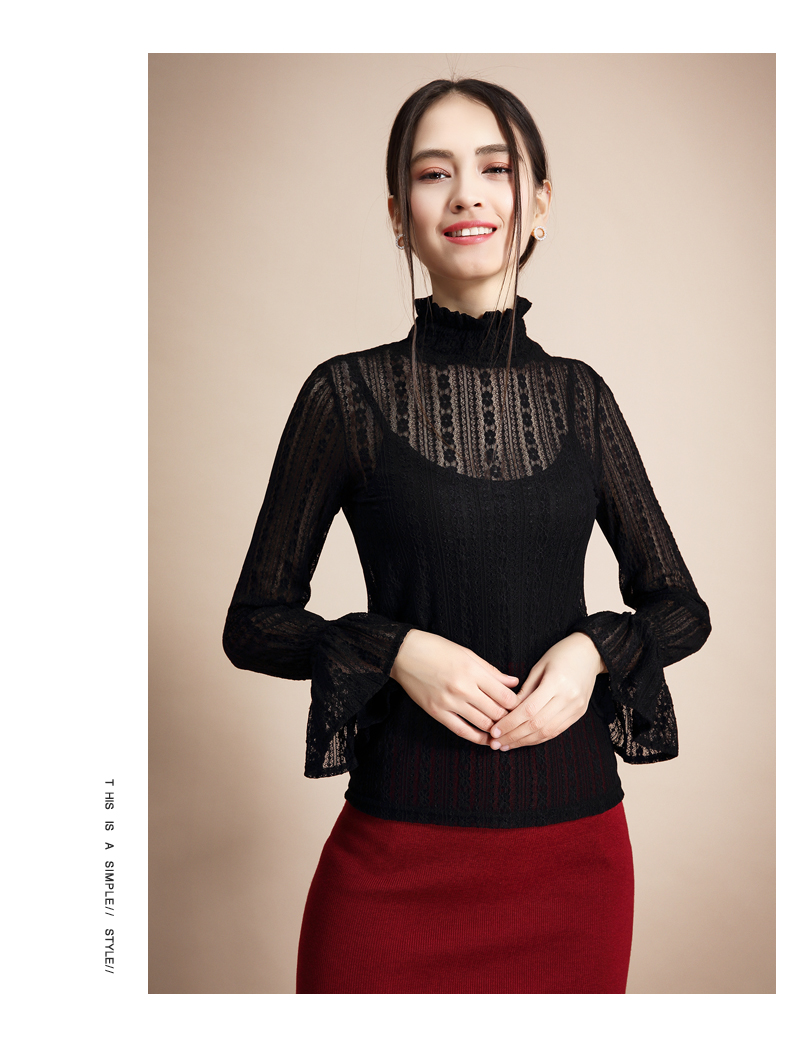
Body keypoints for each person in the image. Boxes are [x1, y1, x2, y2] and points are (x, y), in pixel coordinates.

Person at [222, 78, 711, 994]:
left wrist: (592, 652)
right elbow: (253, 623)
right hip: (395, 862)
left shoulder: (581, 397)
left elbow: (679, 606)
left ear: (538, 204)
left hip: (574, 863)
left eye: (495, 168)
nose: (467, 195)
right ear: (398, 216)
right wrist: (395, 649)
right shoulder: (345, 396)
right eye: (432, 173)